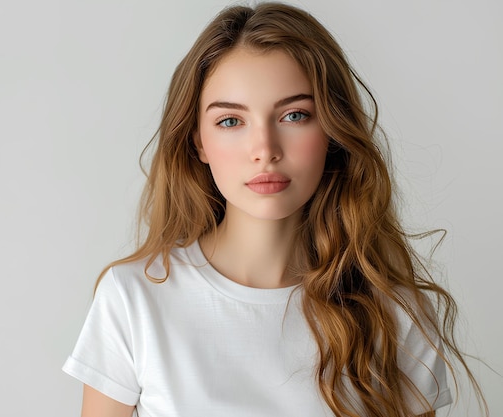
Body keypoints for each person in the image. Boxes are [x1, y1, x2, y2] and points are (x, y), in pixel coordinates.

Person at [63, 2, 486, 417]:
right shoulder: (135, 299)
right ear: (198, 142)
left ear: (333, 132)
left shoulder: (395, 313)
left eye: (294, 115)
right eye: (231, 121)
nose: (265, 150)